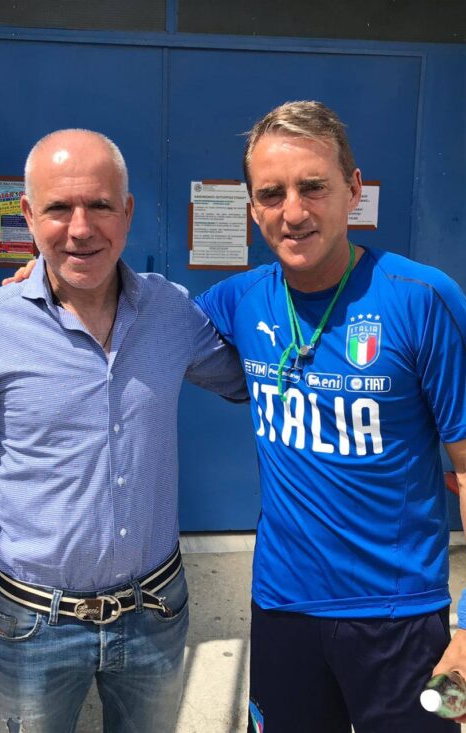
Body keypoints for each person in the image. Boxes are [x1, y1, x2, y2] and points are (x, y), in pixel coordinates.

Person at [0, 129, 247, 733]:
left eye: (99, 205)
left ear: (128, 211)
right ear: (27, 215)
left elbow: (250, 376)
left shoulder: (170, 311)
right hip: (32, 626)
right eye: (58, 209)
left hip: (155, 612)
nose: (80, 228)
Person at [194, 100, 466, 732]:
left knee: (441, 720)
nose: (293, 212)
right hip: (282, 612)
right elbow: (139, 317)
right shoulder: (239, 299)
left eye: (312, 186)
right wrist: (45, 279)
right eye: (272, 194)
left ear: (353, 190)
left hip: (403, 617)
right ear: (253, 208)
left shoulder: (423, 298)